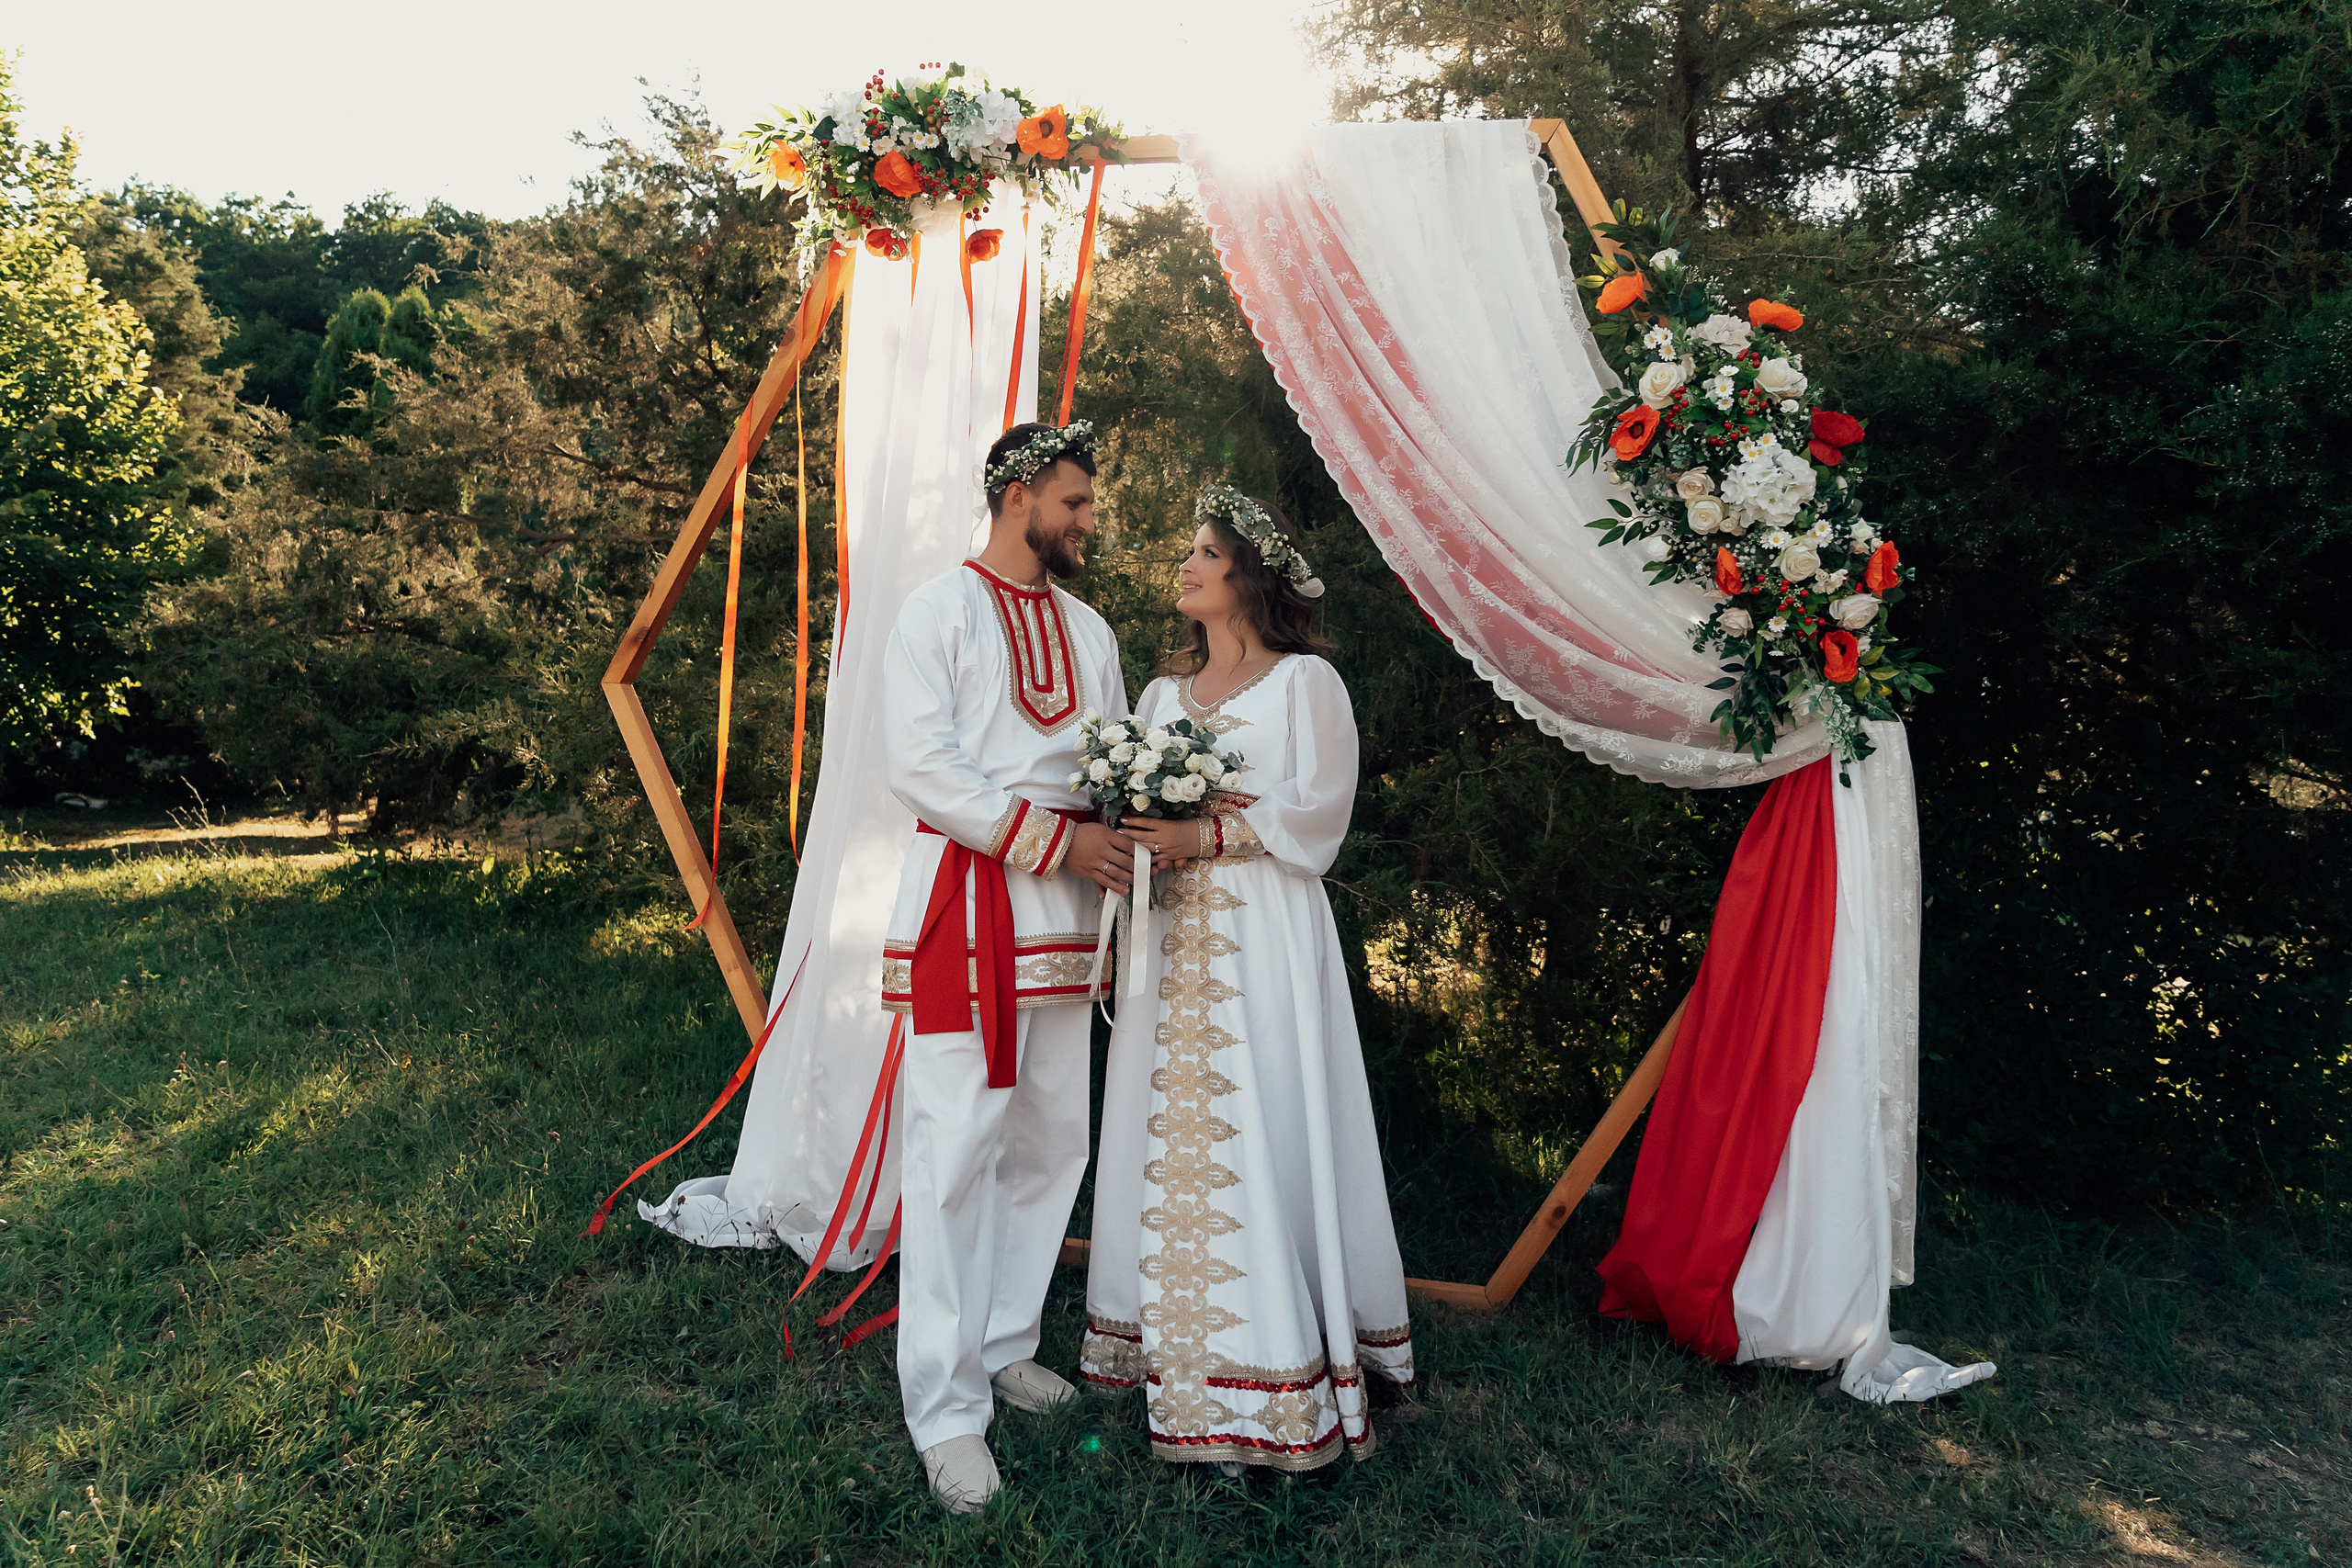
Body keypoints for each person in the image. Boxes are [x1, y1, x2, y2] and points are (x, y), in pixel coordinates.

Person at [1080, 483, 1414, 1472]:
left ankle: (1274, 1360)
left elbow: (1320, 815)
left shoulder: (1306, 685)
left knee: (1264, 1114)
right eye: (1187, 553)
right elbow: (1117, 797)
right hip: (1167, 939)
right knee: (1160, 1123)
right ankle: (1165, 1348)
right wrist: (1135, 832)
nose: (1183, 566)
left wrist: (1207, 831)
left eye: (1204, 555)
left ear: (1248, 576)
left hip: (1263, 934)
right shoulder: (1154, 698)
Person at [880, 421, 1137, 1512]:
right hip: (972, 907)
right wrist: (1055, 840)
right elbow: (922, 766)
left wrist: (1125, 835)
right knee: (953, 1154)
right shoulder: (934, 613)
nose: (1087, 521)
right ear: (1020, 494)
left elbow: (1114, 752)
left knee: (1050, 1139)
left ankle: (1001, 1342)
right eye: (1074, 502)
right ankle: (943, 1412)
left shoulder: (1089, 630)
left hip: (1071, 917)